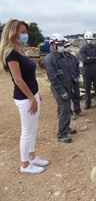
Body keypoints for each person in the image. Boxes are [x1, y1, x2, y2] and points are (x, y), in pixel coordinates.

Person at [0, 19, 49, 174]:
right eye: (23, 32)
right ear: (13, 32)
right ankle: (25, 164)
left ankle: (32, 156)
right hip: (24, 97)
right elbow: (18, 80)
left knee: (33, 128)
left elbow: (28, 77)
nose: (25, 35)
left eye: (26, 32)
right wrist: (31, 98)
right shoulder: (10, 53)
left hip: (31, 94)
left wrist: (36, 93)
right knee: (27, 130)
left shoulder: (20, 50)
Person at [44, 33, 76, 143]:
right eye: (60, 44)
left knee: (65, 108)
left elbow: (68, 71)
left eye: (63, 43)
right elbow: (53, 78)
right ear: (53, 44)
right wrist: (62, 91)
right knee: (64, 109)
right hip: (59, 88)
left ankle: (66, 127)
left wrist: (71, 83)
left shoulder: (62, 56)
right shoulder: (50, 59)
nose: (62, 45)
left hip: (67, 85)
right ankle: (62, 134)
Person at [79, 31, 96, 109]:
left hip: (95, 69)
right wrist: (93, 58)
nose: (89, 41)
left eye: (90, 39)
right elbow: (84, 60)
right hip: (86, 70)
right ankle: (87, 103)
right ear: (85, 39)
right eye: (88, 39)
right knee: (87, 87)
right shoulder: (82, 49)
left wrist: (89, 58)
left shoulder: (95, 48)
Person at [63, 39, 84, 119]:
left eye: (68, 46)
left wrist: (78, 76)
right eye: (66, 46)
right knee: (68, 98)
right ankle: (70, 113)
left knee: (76, 96)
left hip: (75, 80)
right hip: (68, 81)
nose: (67, 48)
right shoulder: (62, 58)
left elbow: (78, 68)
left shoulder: (73, 58)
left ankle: (77, 110)